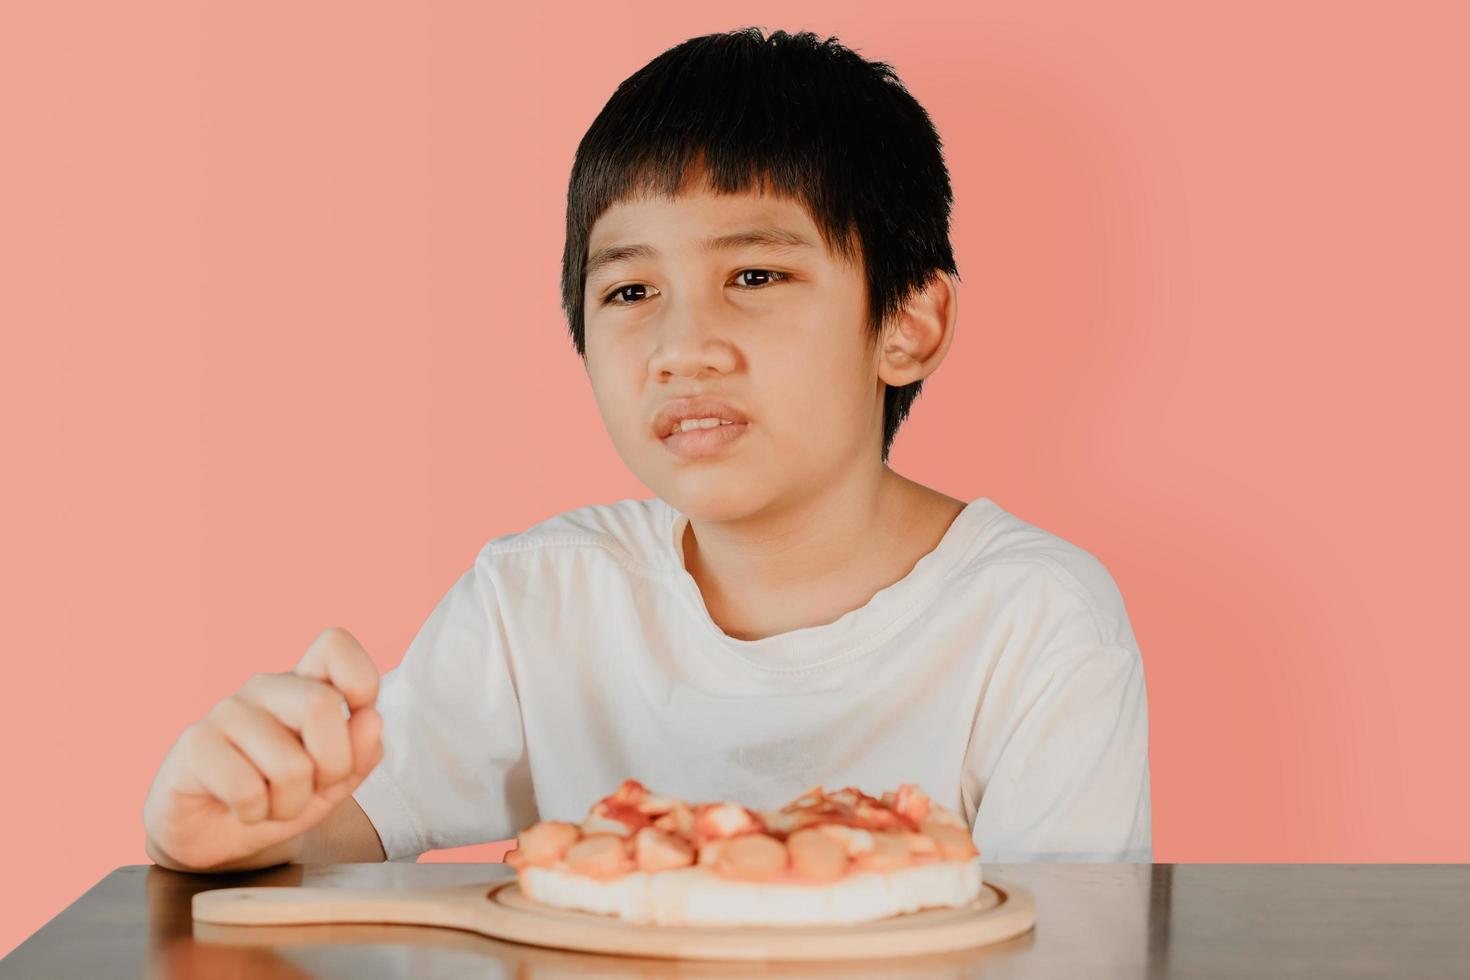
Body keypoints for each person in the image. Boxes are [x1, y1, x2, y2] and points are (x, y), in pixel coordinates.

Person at [143, 27, 1151, 874]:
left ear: (908, 323)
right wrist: (222, 833)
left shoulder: (1037, 621)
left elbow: (1066, 951)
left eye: (754, 275)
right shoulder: (542, 597)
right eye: (630, 291)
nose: (682, 348)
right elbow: (324, 842)